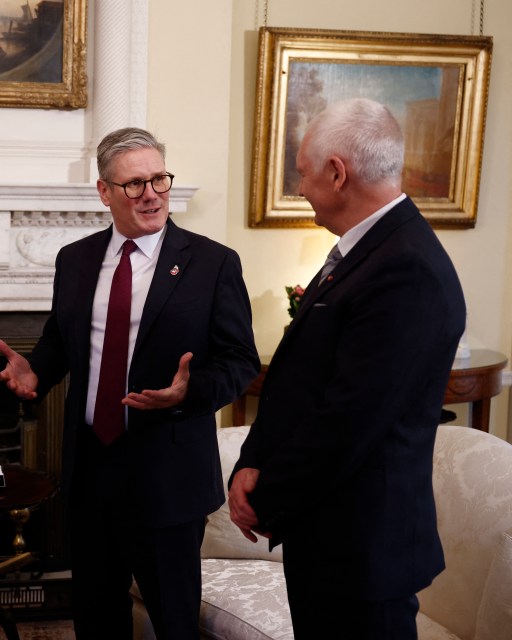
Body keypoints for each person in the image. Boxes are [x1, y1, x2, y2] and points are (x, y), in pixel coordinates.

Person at [0, 127, 260, 639]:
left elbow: (239, 360)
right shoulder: (75, 260)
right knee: (96, 616)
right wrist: (36, 370)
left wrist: (190, 393)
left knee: (173, 620)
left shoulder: (212, 263)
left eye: (159, 179)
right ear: (104, 192)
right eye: (135, 184)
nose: (152, 194)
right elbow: (62, 340)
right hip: (92, 467)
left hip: (168, 469)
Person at [228, 98, 466, 639]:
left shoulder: (406, 268)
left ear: (338, 174)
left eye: (304, 173)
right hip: (330, 537)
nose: (301, 186)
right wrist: (252, 460)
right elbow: (300, 381)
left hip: (363, 549)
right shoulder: (369, 251)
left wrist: (265, 496)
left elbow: (349, 419)